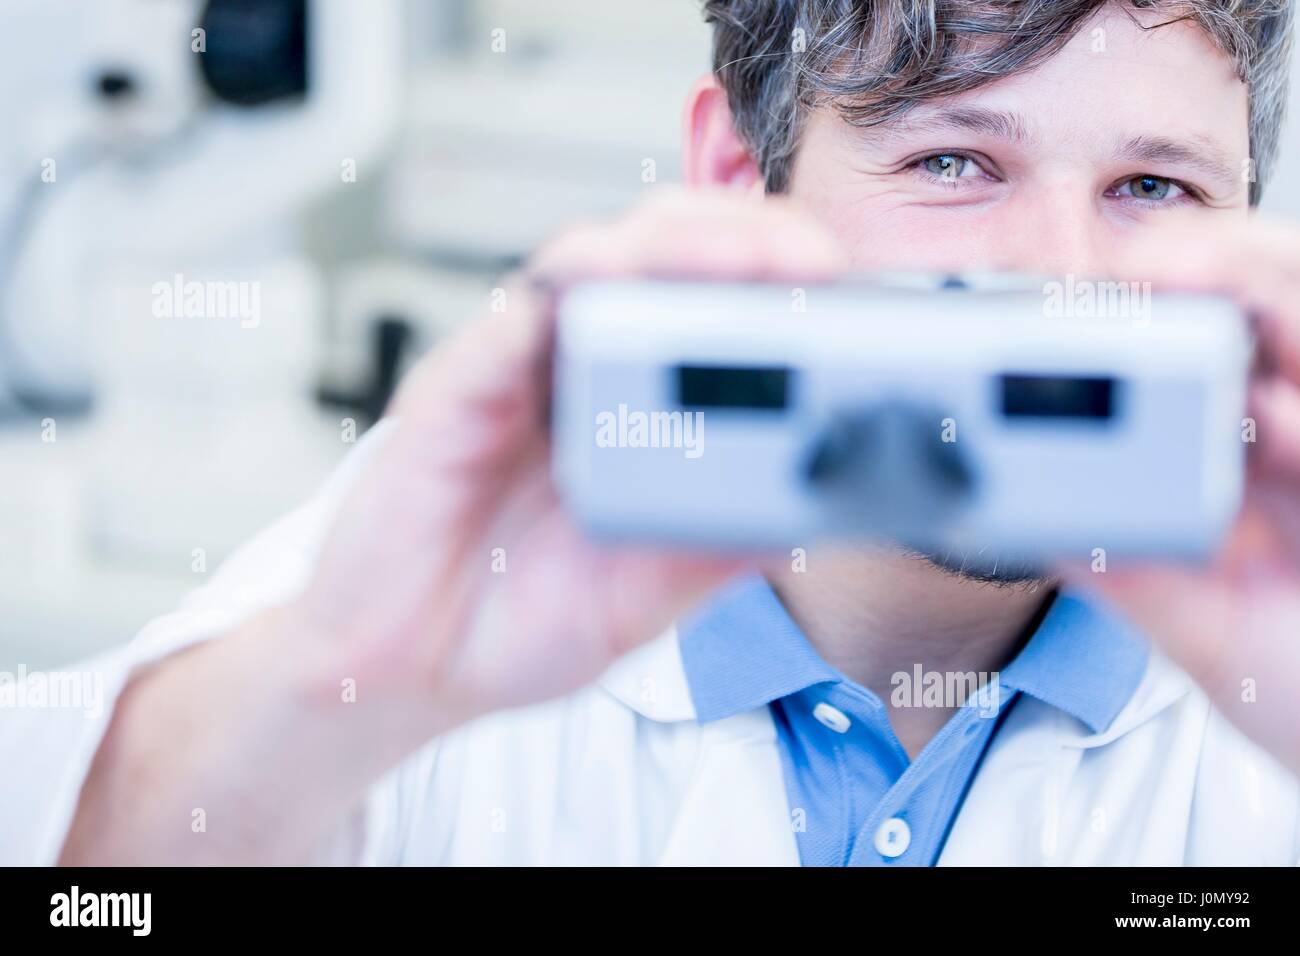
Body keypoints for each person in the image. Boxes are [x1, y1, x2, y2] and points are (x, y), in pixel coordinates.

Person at [5, 0, 1300, 865]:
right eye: (952, 163)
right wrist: (328, 682)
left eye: (1154, 187)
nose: (1059, 285)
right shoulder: (453, 562)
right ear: (741, 181)